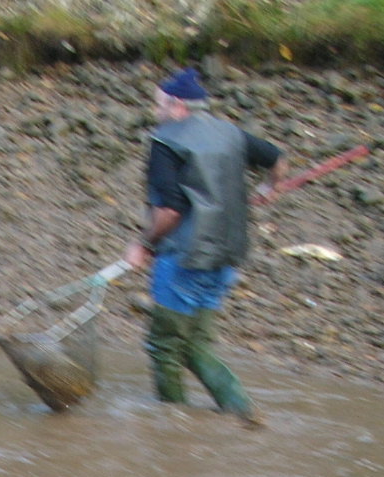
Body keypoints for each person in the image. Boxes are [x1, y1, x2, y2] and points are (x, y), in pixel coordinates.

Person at [122, 67, 285, 429]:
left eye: (159, 104)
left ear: (177, 105)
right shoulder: (231, 133)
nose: (156, 111)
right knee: (195, 345)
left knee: (164, 346)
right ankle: (242, 410)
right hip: (227, 257)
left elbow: (169, 211)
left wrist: (143, 244)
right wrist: (268, 189)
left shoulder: (166, 142)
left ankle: (172, 426)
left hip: (184, 257)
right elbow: (276, 158)